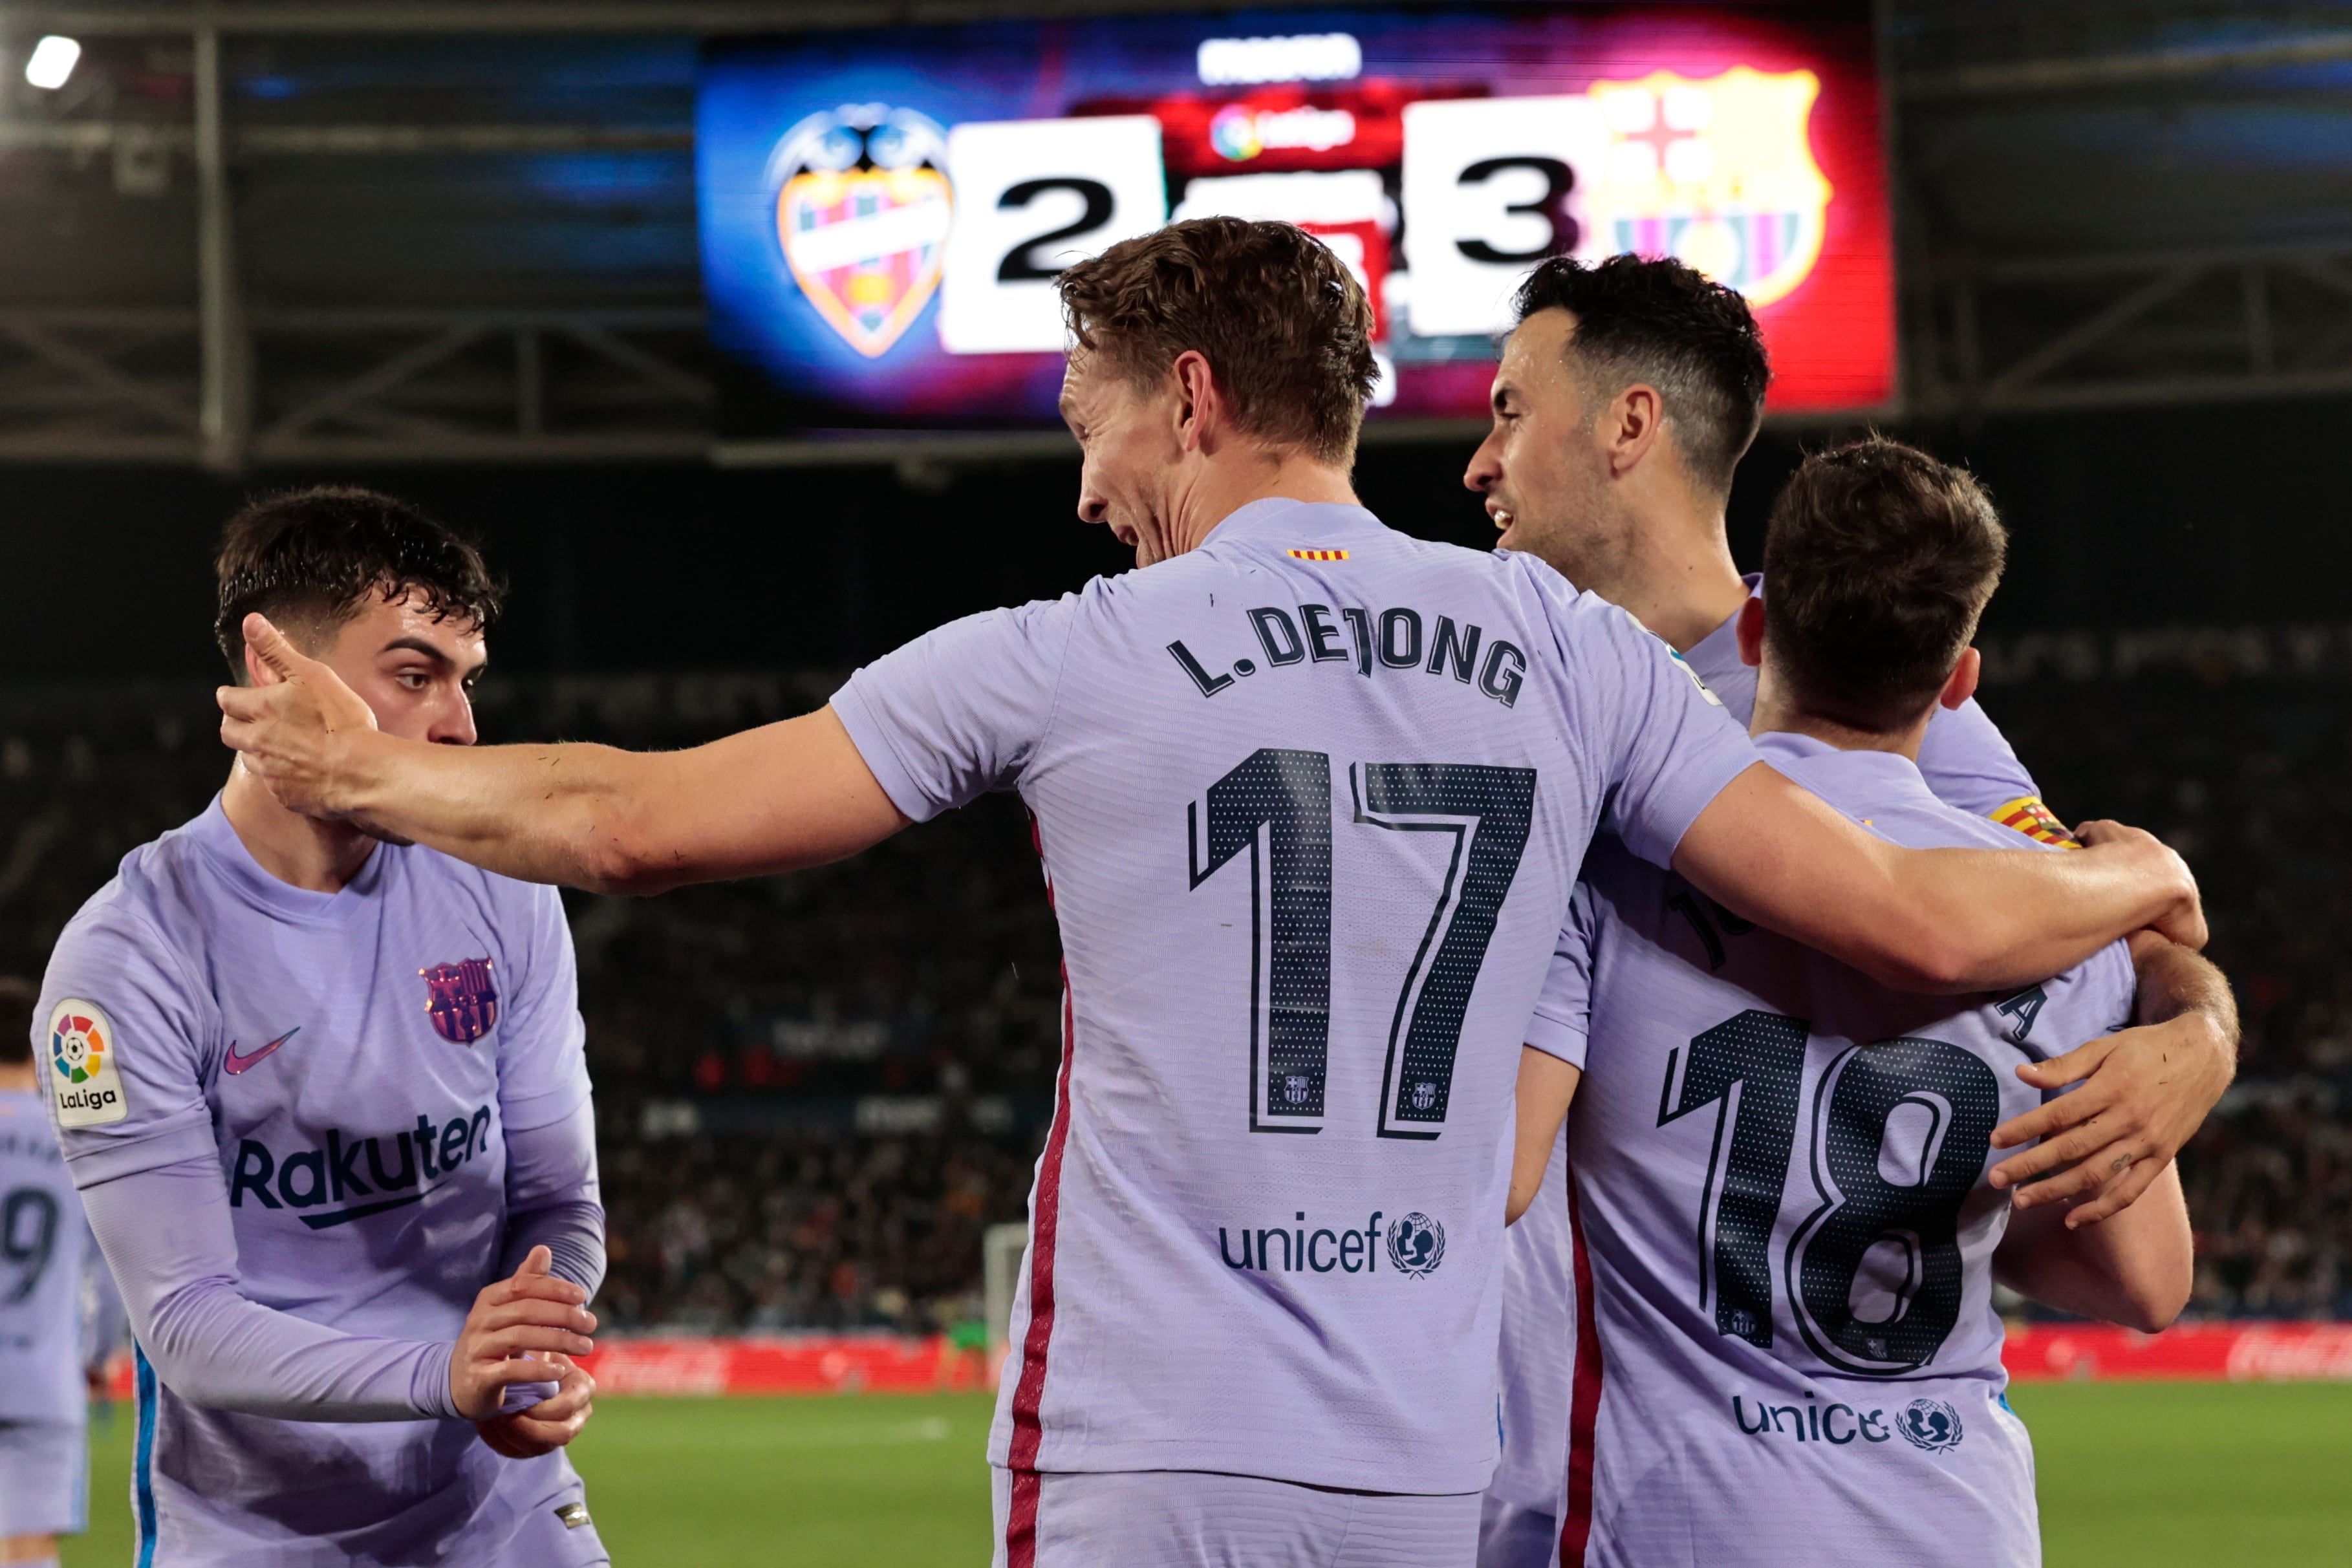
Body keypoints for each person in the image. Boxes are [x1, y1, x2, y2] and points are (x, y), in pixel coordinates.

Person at [215, 219, 2199, 1568]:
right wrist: (2150, 892)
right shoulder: (1572, 657)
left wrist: (348, 764)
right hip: (1425, 1472)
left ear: (1186, 395)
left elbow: (640, 819)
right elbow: (1916, 925)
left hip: (1147, 1449)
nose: (1082, 484)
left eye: (1085, 419)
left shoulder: (1069, 648)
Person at [1463, 255, 2237, 1568]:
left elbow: (2023, 926)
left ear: (1629, 425)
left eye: (1505, 411)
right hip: (1578, 1487)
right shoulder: (1516, 695)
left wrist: (2198, 1025)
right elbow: (2080, 954)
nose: (1477, 461)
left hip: (1651, 1498)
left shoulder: (1946, 751)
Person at [38, 491, 608, 1565]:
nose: (459, 726)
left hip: (499, 1508)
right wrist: (445, 1376)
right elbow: (187, 1327)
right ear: (274, 671)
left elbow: (556, 1201)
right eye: (412, 675)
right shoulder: (128, 961)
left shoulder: (504, 884)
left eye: (465, 679)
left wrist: (537, 1333)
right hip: (262, 1533)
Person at [1, 975, 125, 1568]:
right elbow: (110, 1273)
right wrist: (99, 1354)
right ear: (35, 1048)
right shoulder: (75, 1142)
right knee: (28, 1547)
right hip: (43, 1378)